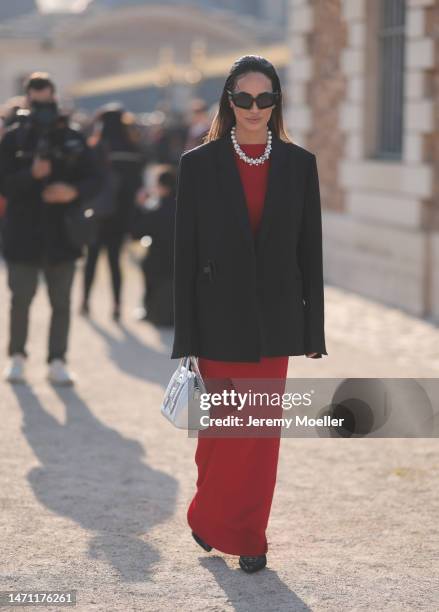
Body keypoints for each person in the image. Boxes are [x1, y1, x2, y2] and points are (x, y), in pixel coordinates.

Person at [171, 55, 327, 573]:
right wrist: (186, 335)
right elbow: (185, 255)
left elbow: (311, 252)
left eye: (265, 99)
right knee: (222, 434)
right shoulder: (198, 164)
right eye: (244, 98)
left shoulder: (300, 164)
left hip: (277, 320)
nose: (254, 109)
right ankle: (208, 515)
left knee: (258, 437)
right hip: (217, 320)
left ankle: (249, 536)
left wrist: (313, 329)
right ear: (229, 101)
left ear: (276, 102)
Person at [0, 72, 101, 385]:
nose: (44, 110)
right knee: (21, 299)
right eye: (37, 103)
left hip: (62, 232)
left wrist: (73, 193)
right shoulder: (13, 137)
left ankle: (58, 359)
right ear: (28, 101)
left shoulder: (71, 135)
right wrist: (30, 175)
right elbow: (3, 183)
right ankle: (17, 356)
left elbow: (94, 178)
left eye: (49, 102)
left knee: (61, 302)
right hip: (23, 232)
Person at [80, 104, 147, 321]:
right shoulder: (133, 149)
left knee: (91, 259)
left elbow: (86, 181)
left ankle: (85, 301)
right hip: (121, 214)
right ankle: (117, 305)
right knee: (115, 261)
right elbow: (138, 185)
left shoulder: (96, 148)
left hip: (98, 212)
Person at [132, 165, 176, 326]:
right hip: (180, 265)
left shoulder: (157, 210)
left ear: (162, 187)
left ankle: (148, 309)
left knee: (148, 264)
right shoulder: (186, 208)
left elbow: (136, 233)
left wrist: (139, 206)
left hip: (158, 265)